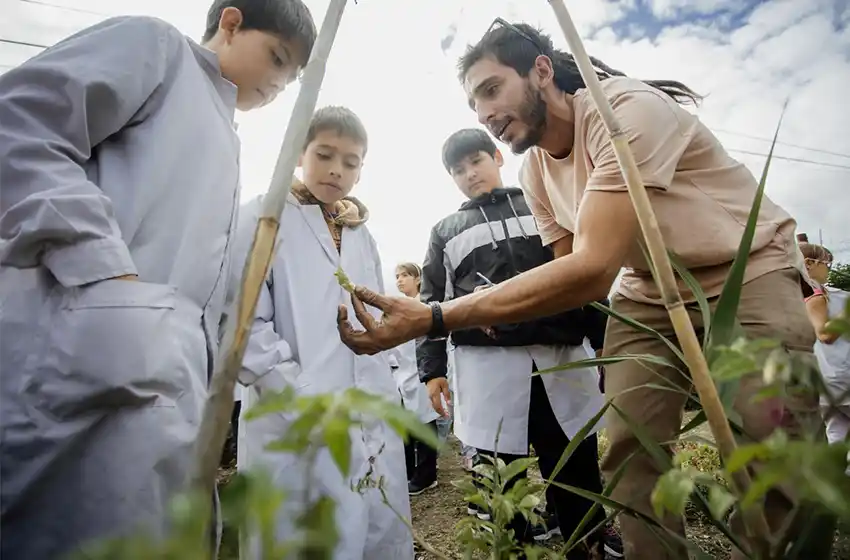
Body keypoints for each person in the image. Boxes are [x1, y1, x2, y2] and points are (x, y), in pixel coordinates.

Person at [337, 20, 820, 560]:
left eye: (492, 89)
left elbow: (592, 270)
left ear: (541, 70)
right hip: (649, 292)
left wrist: (437, 316)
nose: (484, 114)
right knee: (632, 447)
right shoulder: (538, 173)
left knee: (773, 444)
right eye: (474, 103)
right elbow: (567, 280)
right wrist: (481, 311)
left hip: (743, 268)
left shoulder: (622, 113)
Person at [0, 1, 315, 558]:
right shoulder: (156, 50)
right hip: (81, 343)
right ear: (232, 22)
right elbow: (21, 127)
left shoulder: (226, 133)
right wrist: (106, 273)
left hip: (158, 375)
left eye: (289, 78)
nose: (278, 83)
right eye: (277, 58)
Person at [416, 127, 613, 556]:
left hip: (559, 359)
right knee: (500, 474)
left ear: (498, 158)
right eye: (458, 169)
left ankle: (588, 543)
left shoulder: (538, 201)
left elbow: (583, 272)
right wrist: (432, 371)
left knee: (574, 463)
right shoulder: (446, 230)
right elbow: (431, 301)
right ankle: (515, 547)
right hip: (490, 369)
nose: (470, 174)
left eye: (476, 162)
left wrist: (603, 341)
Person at [236, 106, 413, 559]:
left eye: (351, 162)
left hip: (368, 407)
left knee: (375, 530)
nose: (336, 169)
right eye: (324, 154)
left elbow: (377, 317)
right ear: (300, 153)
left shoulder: (360, 234)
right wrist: (305, 396)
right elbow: (245, 325)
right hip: (294, 412)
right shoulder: (265, 217)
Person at [798, 235, 850, 473]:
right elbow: (825, 334)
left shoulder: (794, 293)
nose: (828, 269)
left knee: (838, 435)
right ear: (809, 264)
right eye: (826, 264)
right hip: (840, 376)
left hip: (822, 378)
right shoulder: (815, 293)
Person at [391, 262, 441, 495]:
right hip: (403, 374)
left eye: (405, 276)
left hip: (422, 372)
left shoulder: (426, 305)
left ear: (418, 278)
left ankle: (427, 475)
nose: (400, 280)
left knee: (425, 425)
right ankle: (408, 473)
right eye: (397, 276)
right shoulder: (398, 308)